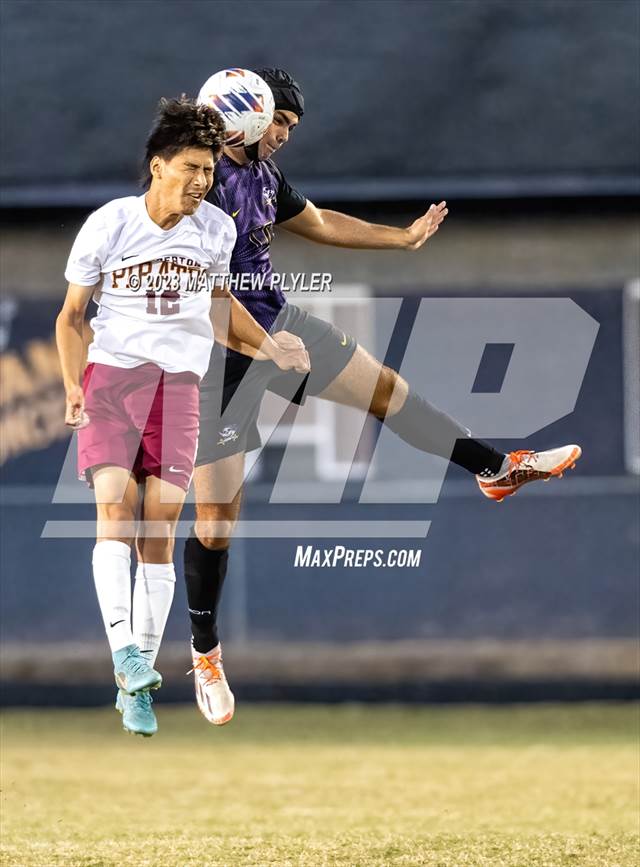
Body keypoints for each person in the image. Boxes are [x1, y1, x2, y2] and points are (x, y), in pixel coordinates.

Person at [184, 69, 581, 725]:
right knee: (216, 523)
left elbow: (317, 221)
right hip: (216, 355)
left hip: (277, 328)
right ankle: (204, 653)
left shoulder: (261, 173)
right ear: (248, 119)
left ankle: (495, 468)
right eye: (278, 121)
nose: (282, 134)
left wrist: (400, 237)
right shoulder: (194, 184)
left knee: (385, 391)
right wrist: (265, 349)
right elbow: (204, 303)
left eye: (287, 127)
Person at [56, 96, 309, 737]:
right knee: (115, 507)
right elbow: (71, 318)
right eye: (191, 167)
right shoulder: (111, 224)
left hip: (180, 387)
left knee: (161, 529)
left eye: (207, 170)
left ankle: (136, 684)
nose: (202, 180)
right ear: (158, 165)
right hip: (113, 379)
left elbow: (220, 312)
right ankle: (127, 659)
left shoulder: (216, 231)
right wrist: (71, 386)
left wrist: (268, 345)